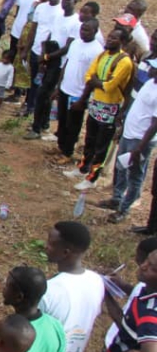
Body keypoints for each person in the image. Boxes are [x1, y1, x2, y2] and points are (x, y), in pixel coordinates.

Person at [37, 222, 104, 352]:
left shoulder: (50, 291)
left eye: (51, 243)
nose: (46, 246)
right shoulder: (96, 280)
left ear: (66, 252)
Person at [66, 24, 134, 190]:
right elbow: (89, 76)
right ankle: (83, 168)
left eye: (114, 38)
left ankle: (92, 178)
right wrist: (98, 82)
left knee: (102, 145)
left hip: (110, 108)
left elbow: (110, 86)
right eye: (109, 36)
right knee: (90, 139)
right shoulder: (103, 55)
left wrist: (97, 81)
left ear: (122, 42)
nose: (109, 40)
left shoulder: (124, 62)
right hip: (96, 103)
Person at [99, 57, 157, 223]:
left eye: (154, 68)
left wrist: (140, 148)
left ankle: (124, 209)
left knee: (135, 175)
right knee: (121, 167)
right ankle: (116, 198)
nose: (150, 69)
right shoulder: (149, 83)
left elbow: (155, 124)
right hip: (129, 133)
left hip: (140, 140)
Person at [26, 0, 79, 138]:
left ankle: (37, 128)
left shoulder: (75, 22)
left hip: (59, 63)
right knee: (44, 92)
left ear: (75, 2)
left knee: (44, 93)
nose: (65, 2)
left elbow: (67, 47)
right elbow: (50, 36)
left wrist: (47, 57)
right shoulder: (59, 16)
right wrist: (43, 54)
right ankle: (43, 123)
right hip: (49, 58)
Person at [53, 17, 103, 162]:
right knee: (62, 120)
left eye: (87, 30)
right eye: (82, 29)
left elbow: (93, 77)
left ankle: (67, 152)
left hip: (78, 94)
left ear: (95, 31)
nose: (83, 32)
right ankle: (61, 146)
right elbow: (67, 64)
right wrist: (58, 86)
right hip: (65, 89)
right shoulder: (75, 43)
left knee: (73, 125)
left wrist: (83, 99)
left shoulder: (97, 50)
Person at [24, 0, 64, 115]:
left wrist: (45, 54)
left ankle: (37, 110)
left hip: (47, 54)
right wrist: (26, 49)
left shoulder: (61, 12)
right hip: (35, 50)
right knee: (33, 80)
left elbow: (53, 35)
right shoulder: (40, 7)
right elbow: (33, 29)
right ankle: (29, 106)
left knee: (43, 85)